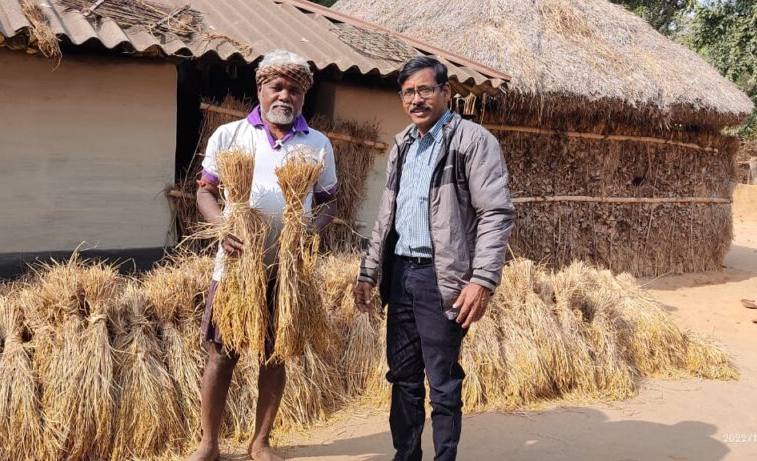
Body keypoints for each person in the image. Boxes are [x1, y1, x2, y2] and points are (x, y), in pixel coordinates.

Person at [352, 56, 514, 461]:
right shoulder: (403, 144)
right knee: (403, 377)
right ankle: (406, 455)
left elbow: (495, 213)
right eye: (408, 92)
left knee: (442, 381)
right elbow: (387, 213)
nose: (416, 99)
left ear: (446, 92)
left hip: (442, 279)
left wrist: (482, 280)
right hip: (401, 274)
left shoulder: (471, 141)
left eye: (425, 89)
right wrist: (369, 271)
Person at [187, 49, 338, 461]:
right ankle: (209, 444)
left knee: (275, 355)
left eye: (295, 90)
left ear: (304, 96)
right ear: (260, 89)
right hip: (237, 267)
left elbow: (329, 201)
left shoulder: (317, 144)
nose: (285, 96)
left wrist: (310, 230)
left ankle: (260, 442)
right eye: (277, 87)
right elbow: (205, 191)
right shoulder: (231, 135)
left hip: (286, 271)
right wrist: (223, 226)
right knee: (222, 354)